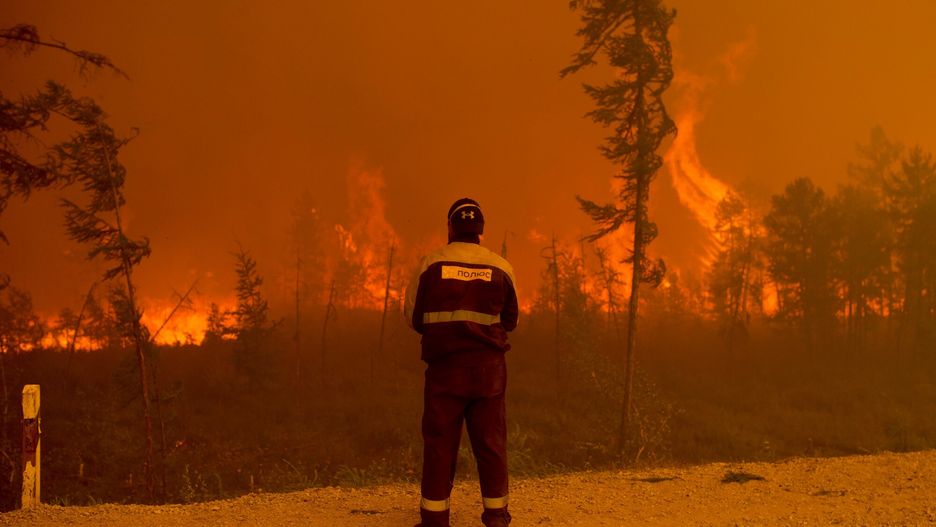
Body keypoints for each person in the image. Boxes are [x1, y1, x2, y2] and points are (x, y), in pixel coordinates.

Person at [404, 198, 519, 527]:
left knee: (440, 444)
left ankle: (435, 520)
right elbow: (510, 320)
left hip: (445, 370)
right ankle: (496, 517)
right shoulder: (501, 267)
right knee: (491, 443)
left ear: (450, 227)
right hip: (489, 372)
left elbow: (413, 317)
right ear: (480, 230)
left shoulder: (430, 264)